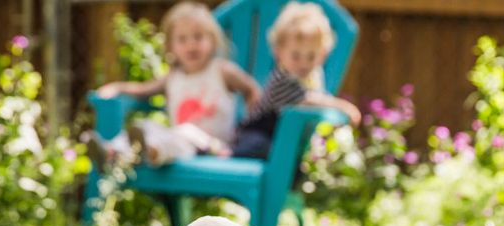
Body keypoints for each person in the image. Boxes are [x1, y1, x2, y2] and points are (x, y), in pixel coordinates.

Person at [89, 2, 260, 166]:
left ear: (213, 41)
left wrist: (250, 126)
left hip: (214, 148)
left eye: (198, 37)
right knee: (146, 126)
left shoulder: (222, 71)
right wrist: (118, 87)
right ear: (171, 46)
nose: (191, 45)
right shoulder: (172, 77)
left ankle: (150, 151)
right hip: (178, 143)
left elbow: (252, 89)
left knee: (183, 132)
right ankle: (112, 151)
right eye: (182, 39)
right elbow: (143, 89)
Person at [232, 2, 361, 159]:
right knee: (258, 147)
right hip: (259, 132)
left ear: (323, 53)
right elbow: (307, 100)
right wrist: (343, 106)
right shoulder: (281, 78)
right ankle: (227, 152)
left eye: (311, 56)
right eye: (296, 56)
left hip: (286, 137)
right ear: (278, 52)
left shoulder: (313, 76)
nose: (304, 63)